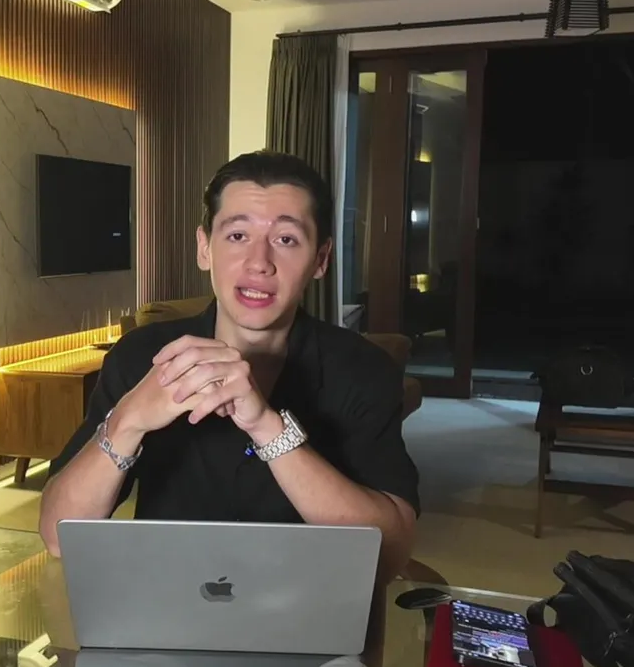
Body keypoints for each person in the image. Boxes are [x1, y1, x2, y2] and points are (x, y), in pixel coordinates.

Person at [37, 151, 420, 580]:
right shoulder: (142, 355)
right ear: (205, 248)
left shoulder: (363, 369)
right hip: (169, 599)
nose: (259, 262)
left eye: (286, 240)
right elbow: (57, 537)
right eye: (237, 235)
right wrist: (128, 421)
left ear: (321, 259)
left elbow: (389, 557)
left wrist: (269, 429)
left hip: (309, 601)